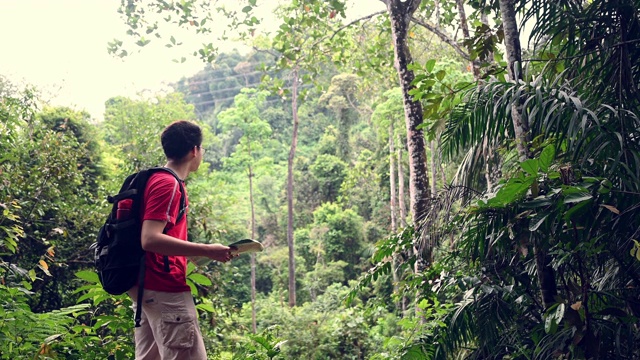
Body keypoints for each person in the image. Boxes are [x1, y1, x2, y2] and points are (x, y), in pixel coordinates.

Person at [127, 120, 233, 359]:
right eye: (202, 149)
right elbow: (150, 239)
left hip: (146, 287)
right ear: (195, 150)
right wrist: (207, 249)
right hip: (163, 287)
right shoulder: (168, 184)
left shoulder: (153, 179)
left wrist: (201, 254)